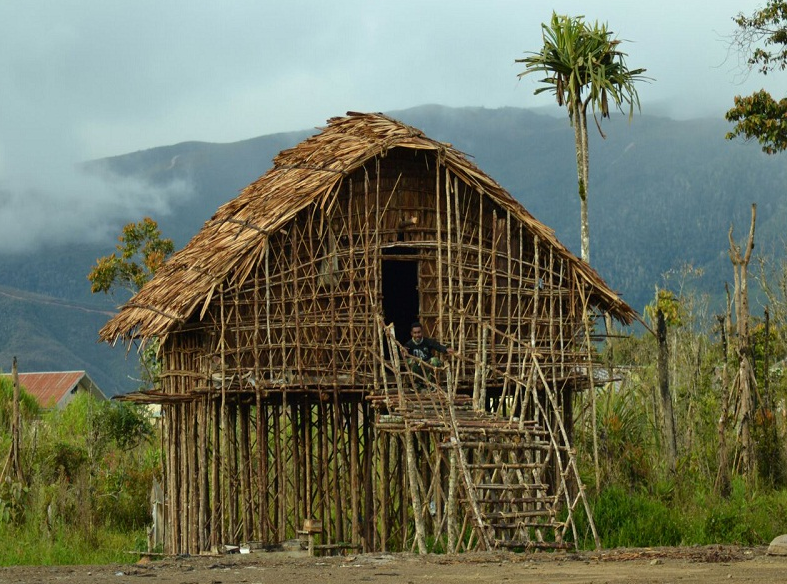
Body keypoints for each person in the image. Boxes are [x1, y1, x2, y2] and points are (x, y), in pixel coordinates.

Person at [404, 322, 454, 387]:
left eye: (419, 332)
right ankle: (417, 383)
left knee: (435, 360)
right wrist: (404, 352)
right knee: (410, 361)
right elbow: (404, 353)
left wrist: (445, 349)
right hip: (417, 367)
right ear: (411, 333)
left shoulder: (427, 341)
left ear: (422, 332)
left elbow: (437, 346)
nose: (417, 335)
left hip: (427, 365)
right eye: (415, 333)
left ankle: (431, 383)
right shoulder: (409, 344)